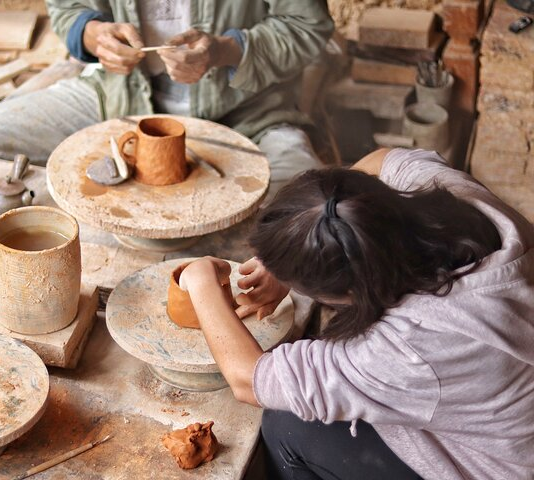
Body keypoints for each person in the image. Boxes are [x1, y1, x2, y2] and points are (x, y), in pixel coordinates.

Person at [177, 148, 534, 479]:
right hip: (496, 405)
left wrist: (201, 283)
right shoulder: (453, 196)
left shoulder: (409, 347)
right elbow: (378, 161)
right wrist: (290, 250)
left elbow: (247, 380)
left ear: (351, 293)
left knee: (286, 424)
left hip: (501, 466)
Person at [0, 0, 334, 194]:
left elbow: (307, 27)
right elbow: (67, 10)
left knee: (309, 211)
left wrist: (223, 51)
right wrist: (92, 33)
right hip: (119, 99)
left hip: (249, 111)